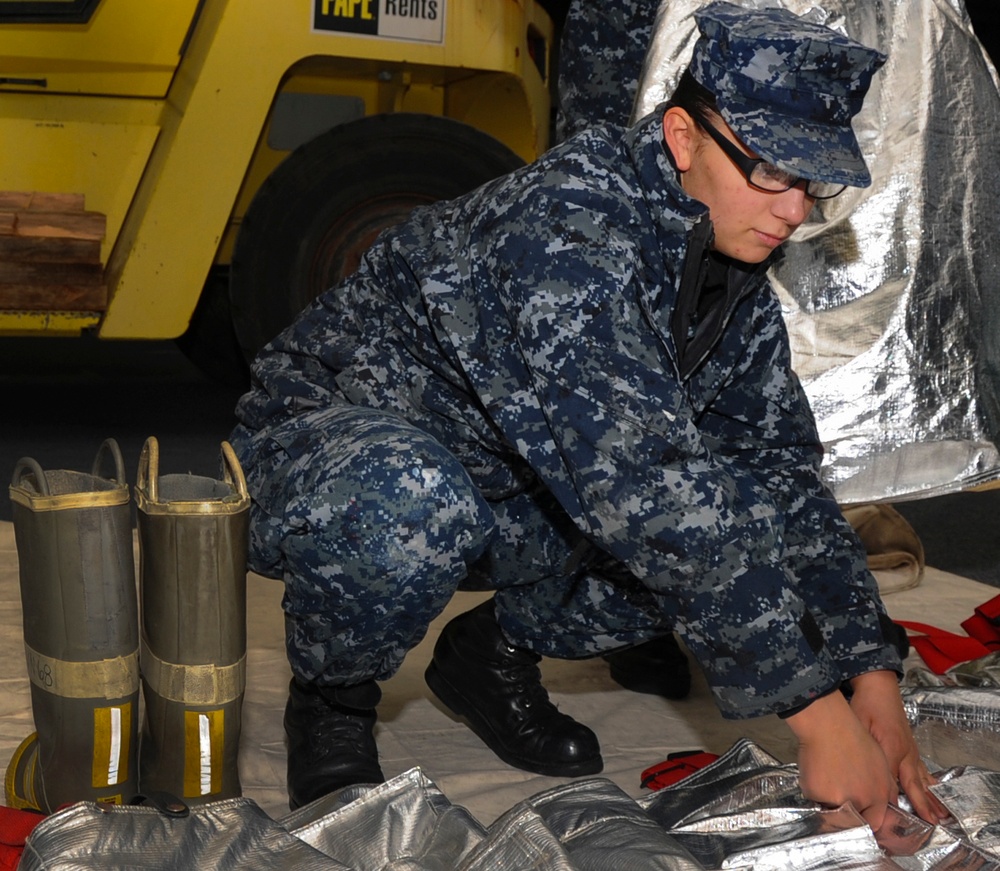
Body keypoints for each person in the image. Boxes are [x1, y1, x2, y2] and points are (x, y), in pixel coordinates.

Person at [230, 0, 948, 830]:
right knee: (425, 496)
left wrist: (871, 677)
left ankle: (492, 652)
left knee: (733, 516)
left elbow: (779, 474)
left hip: (510, 471)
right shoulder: (569, 224)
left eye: (812, 182)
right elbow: (645, 484)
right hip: (338, 452)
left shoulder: (726, 254)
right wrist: (817, 718)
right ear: (682, 137)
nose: (792, 211)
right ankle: (333, 697)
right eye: (770, 172)